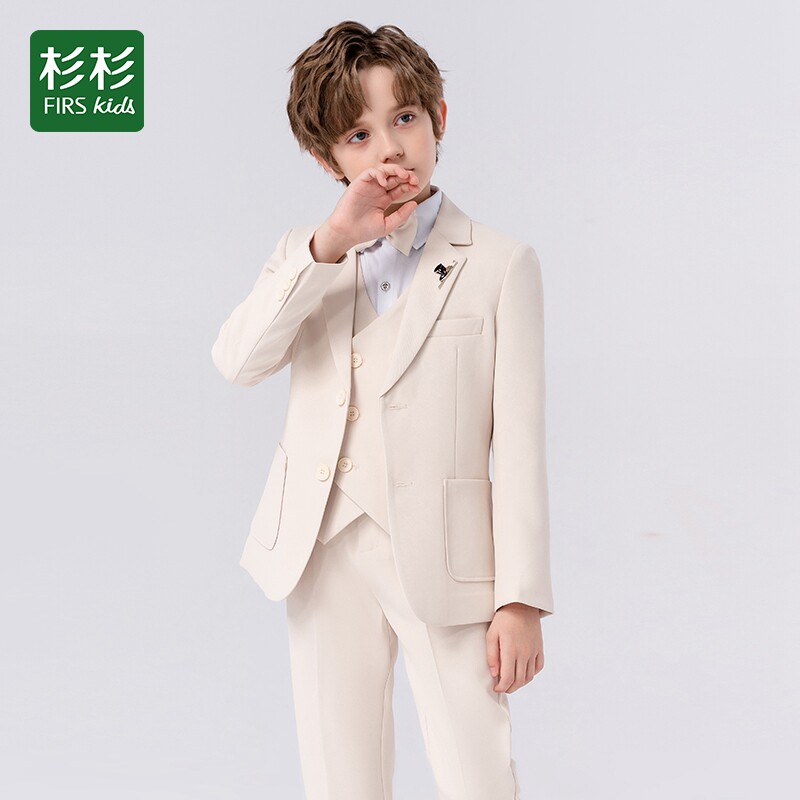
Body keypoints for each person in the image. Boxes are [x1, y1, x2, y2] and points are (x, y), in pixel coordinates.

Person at [211, 20, 554, 800]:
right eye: (358, 136)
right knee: (339, 772)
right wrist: (332, 241)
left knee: (476, 769)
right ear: (326, 159)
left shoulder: (501, 264)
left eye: (405, 118)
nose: (390, 149)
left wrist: (521, 597)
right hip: (320, 543)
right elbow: (238, 361)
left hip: (447, 556)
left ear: (439, 117)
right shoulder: (307, 255)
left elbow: (521, 442)